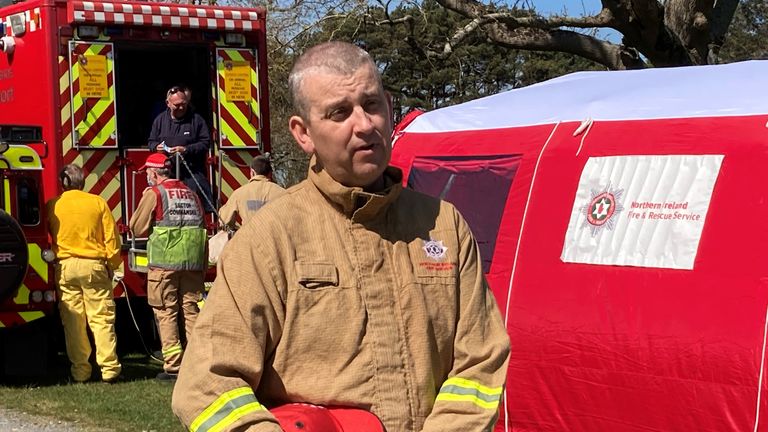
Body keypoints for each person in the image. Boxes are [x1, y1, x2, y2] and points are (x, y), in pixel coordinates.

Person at [172, 41, 510, 431]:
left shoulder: (443, 225)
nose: (365, 125)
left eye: (372, 105)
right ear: (303, 133)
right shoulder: (269, 239)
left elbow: (480, 361)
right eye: (339, 112)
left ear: (389, 107)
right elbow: (206, 383)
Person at [129, 153, 207, 381]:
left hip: (165, 265)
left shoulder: (155, 193)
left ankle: (173, 367)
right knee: (192, 312)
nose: (147, 176)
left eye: (147, 173)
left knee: (166, 312)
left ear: (154, 172)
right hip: (192, 263)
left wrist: (144, 200)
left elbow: (136, 228)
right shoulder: (192, 193)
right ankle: (197, 364)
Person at [46, 164, 122, 383]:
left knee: (73, 321)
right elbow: (112, 239)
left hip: (66, 266)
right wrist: (112, 263)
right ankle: (109, 370)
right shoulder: (98, 203)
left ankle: (81, 371)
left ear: (62, 183)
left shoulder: (54, 205)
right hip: (94, 266)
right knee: (101, 318)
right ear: (83, 182)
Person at [148, 85, 214, 212]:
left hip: (192, 173)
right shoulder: (160, 120)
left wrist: (186, 149)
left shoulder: (197, 120)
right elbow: (151, 142)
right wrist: (157, 147)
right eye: (177, 105)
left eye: (184, 104)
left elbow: (205, 142)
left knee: (195, 208)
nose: (181, 108)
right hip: (166, 174)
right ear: (168, 103)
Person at [218, 155, 287, 230]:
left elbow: (224, 220)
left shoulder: (239, 193)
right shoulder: (281, 192)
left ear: (252, 172)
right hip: (273, 239)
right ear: (270, 173)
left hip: (249, 239)